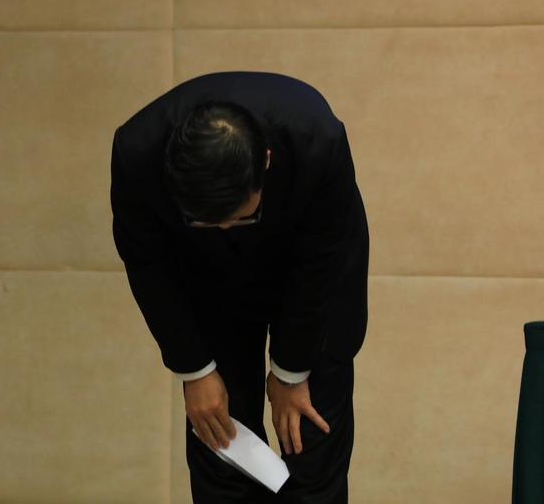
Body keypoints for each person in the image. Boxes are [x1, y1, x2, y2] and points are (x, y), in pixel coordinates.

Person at [110, 71, 369, 503]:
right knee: (221, 437)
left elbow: (322, 262)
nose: (230, 228)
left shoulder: (317, 139)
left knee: (310, 433)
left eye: (241, 216)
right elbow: (148, 265)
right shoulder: (137, 156)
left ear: (265, 161)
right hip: (208, 274)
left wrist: (290, 372)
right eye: (209, 221)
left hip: (314, 272)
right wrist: (196, 370)